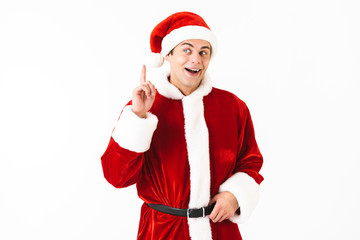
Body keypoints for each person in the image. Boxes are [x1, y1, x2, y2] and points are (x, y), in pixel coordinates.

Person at [101, 11, 264, 240]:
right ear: (168, 54)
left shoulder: (233, 107)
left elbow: (250, 162)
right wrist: (137, 117)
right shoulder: (144, 108)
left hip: (220, 230)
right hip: (163, 231)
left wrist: (235, 195)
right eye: (186, 50)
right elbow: (116, 177)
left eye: (203, 52)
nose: (196, 59)